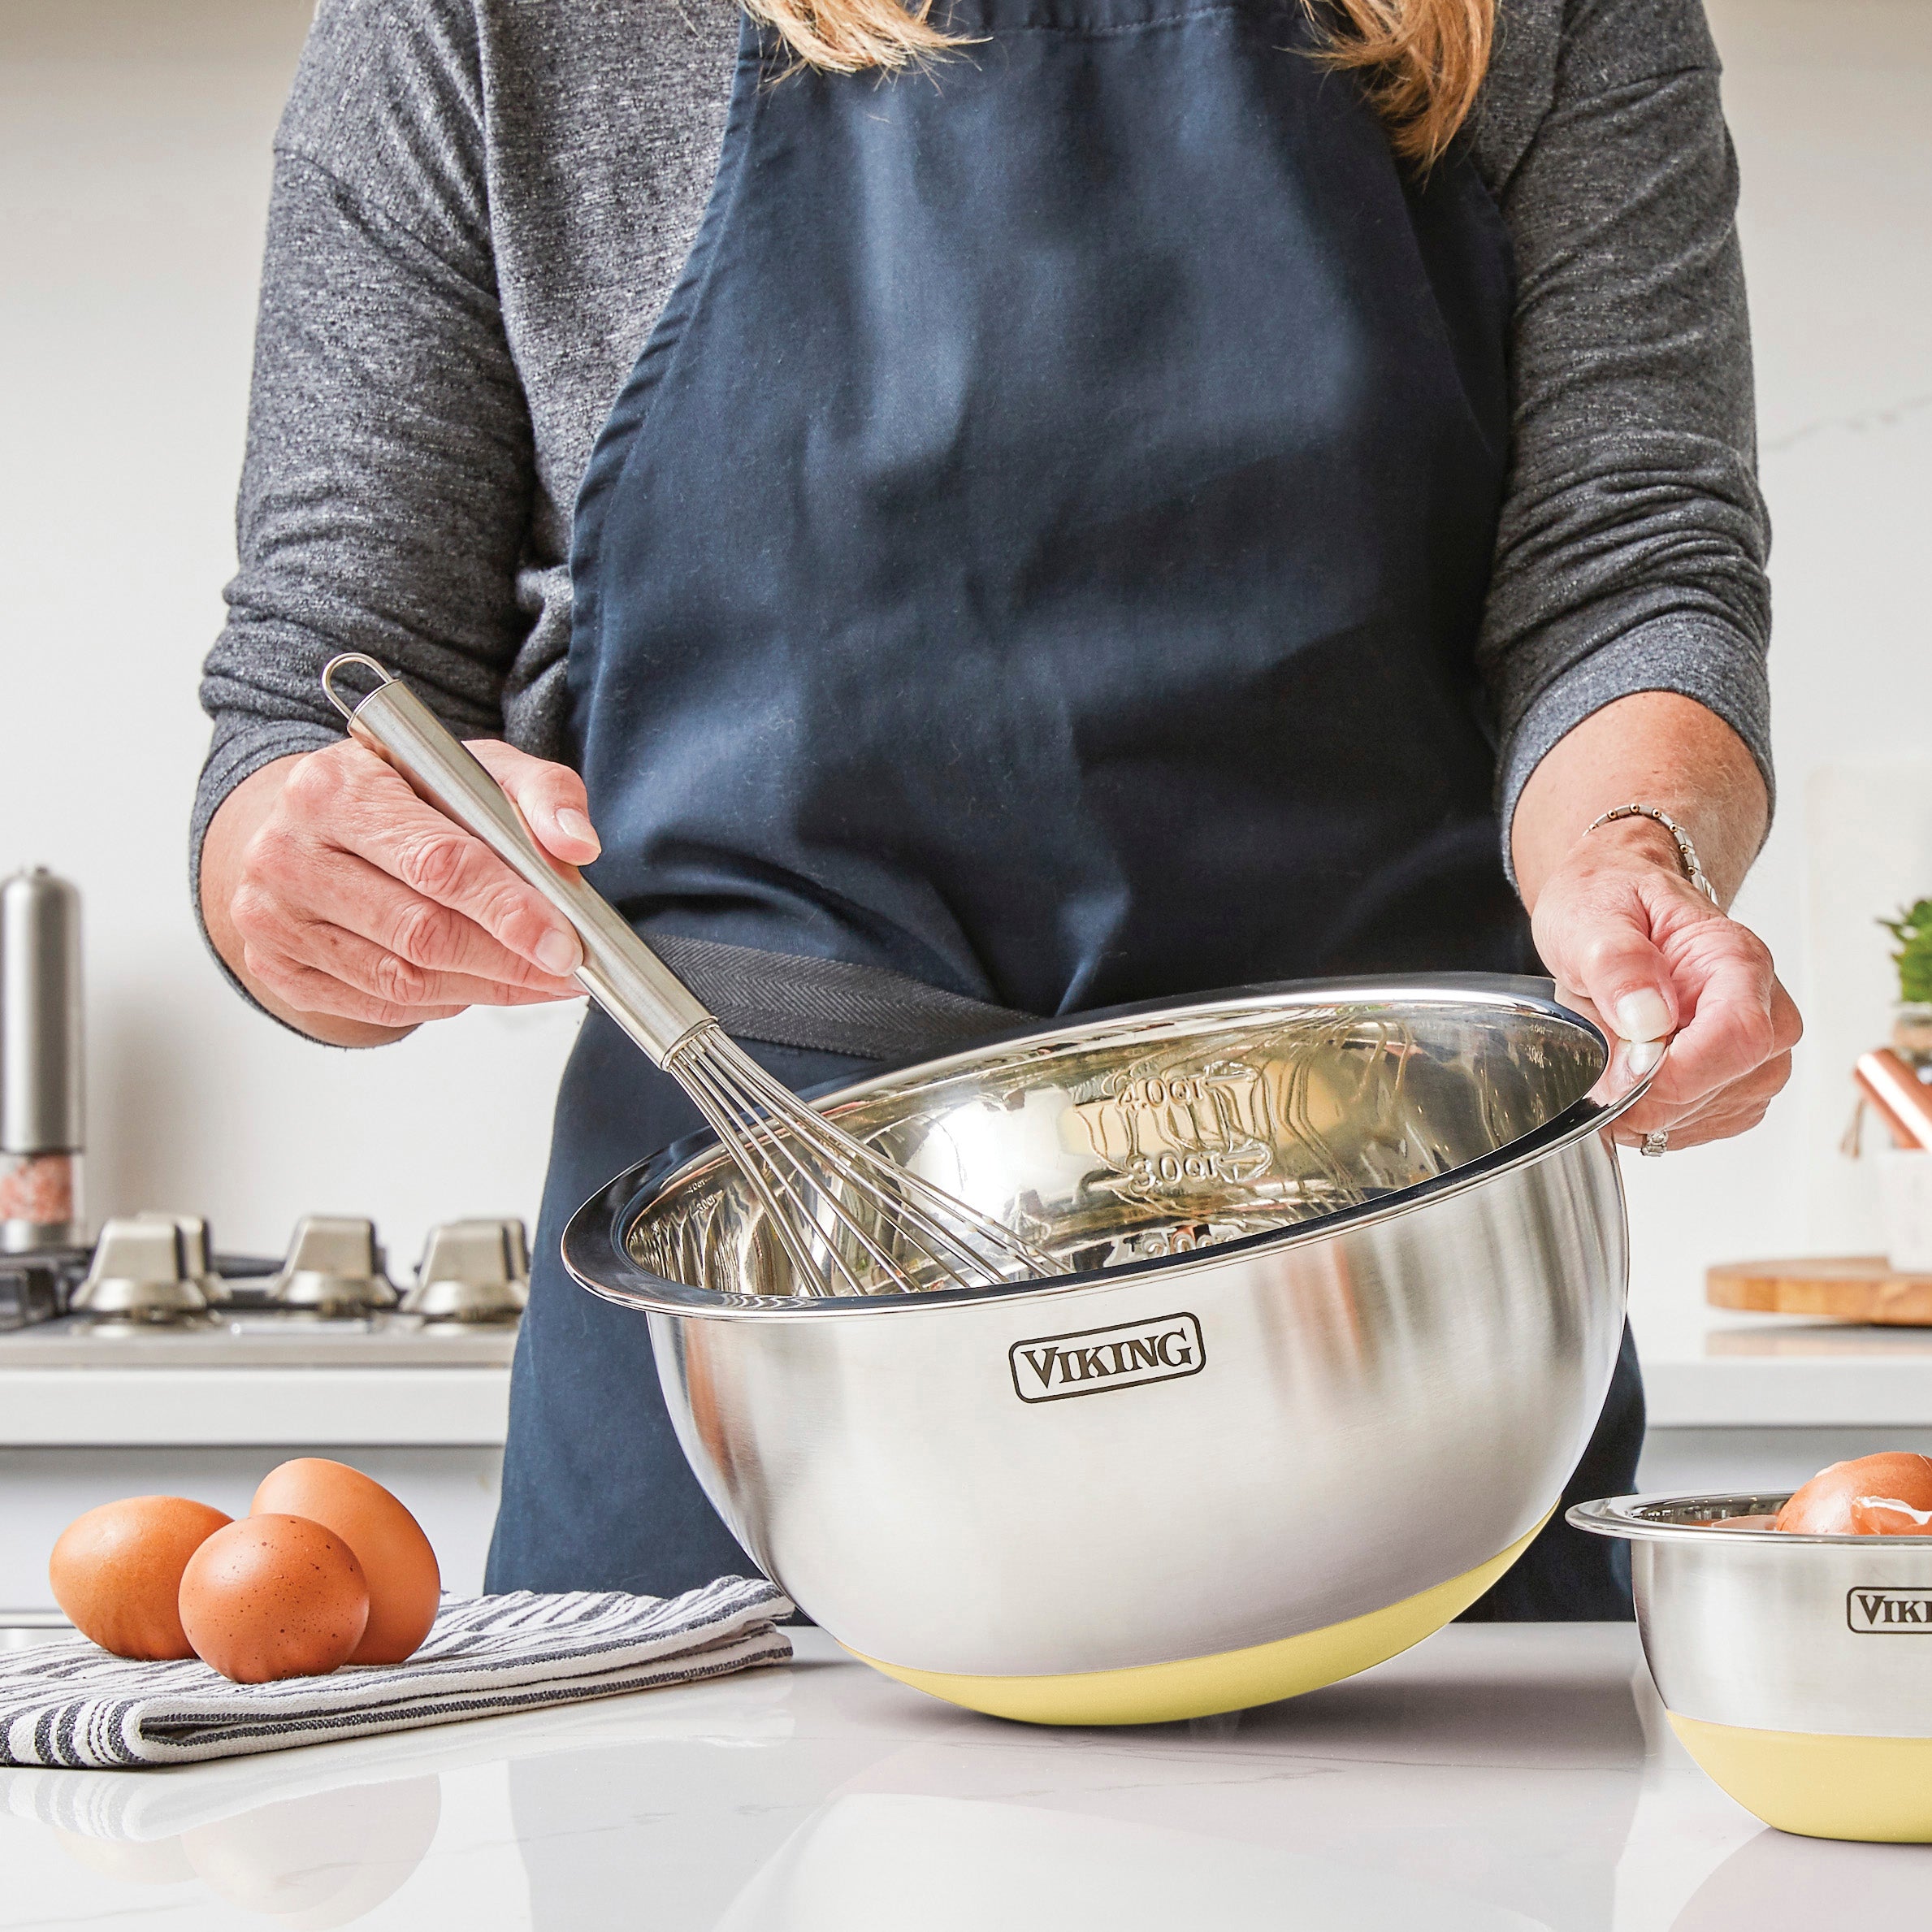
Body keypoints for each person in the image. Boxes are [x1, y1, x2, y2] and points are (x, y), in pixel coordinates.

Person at [194, 0, 1800, 1616]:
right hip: (774, 1346)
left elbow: (1626, 563)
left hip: (1398, 1310)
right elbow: (313, 684)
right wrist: (301, 881)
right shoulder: (494, 26)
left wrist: (1625, 854)